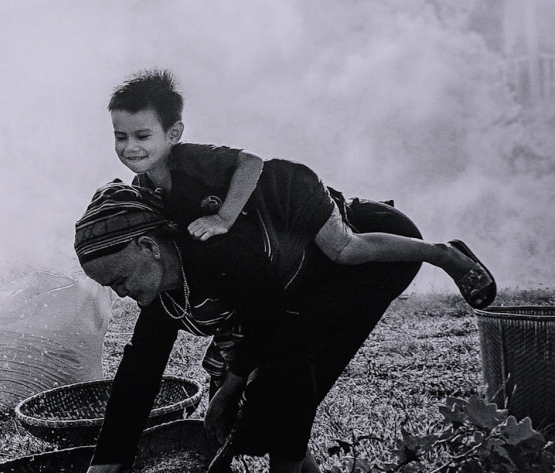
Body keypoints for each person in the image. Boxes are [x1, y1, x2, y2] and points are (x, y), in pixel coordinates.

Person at [37, 177, 423, 473]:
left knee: (278, 372)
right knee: (243, 385)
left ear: (148, 246)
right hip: (289, 297)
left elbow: (272, 327)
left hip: (373, 248)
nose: (120, 294)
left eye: (120, 279)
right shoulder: (163, 294)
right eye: (112, 287)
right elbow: (134, 387)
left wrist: (232, 389)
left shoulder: (219, 251)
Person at [107, 69, 496, 309]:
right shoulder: (144, 185)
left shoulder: (191, 158)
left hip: (287, 191)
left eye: (143, 135)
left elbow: (251, 163)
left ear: (173, 134)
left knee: (344, 249)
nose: (131, 147)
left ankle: (443, 254)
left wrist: (224, 217)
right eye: (121, 137)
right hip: (267, 222)